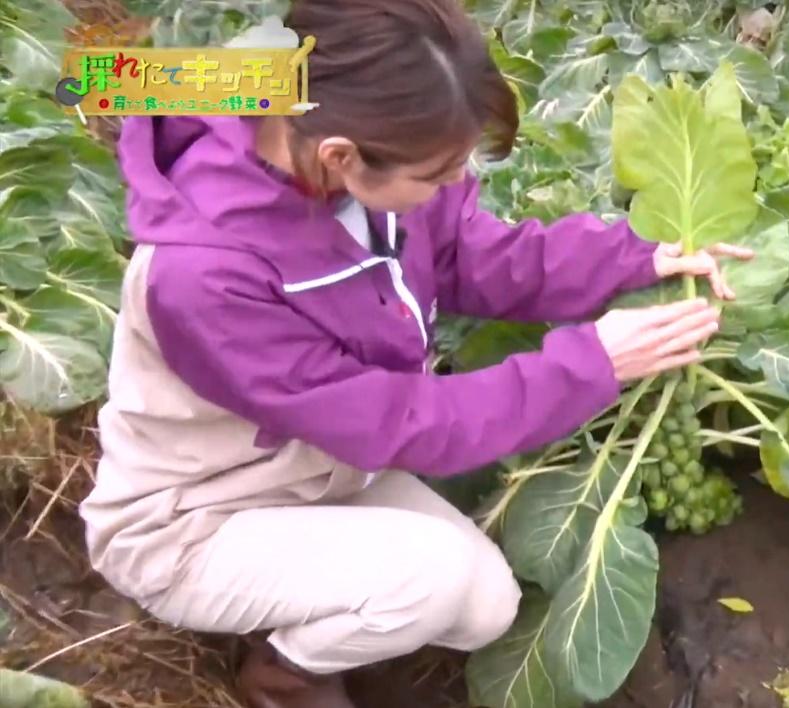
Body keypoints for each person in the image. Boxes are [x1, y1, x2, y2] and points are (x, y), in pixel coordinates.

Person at [76, 0, 753, 706]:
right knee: (439, 585)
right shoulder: (204, 276)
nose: (456, 185)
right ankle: (284, 674)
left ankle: (302, 601)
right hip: (195, 518)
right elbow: (399, 421)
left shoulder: (337, 133)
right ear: (342, 158)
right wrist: (595, 364)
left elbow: (472, 255)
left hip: (319, 467)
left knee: (483, 607)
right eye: (438, 174)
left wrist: (637, 260)